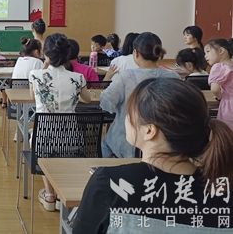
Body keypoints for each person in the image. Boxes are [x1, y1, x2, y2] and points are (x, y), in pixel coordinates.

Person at [73, 78, 233, 233]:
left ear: (149, 131)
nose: (126, 119)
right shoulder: (225, 192)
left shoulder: (110, 184)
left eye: (129, 114)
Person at [29, 33, 92, 211]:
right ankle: (61, 193)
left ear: (46, 54)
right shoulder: (78, 78)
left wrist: (45, 65)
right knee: (62, 149)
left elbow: (32, 97)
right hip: (71, 138)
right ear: (67, 55)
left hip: (43, 138)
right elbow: (87, 99)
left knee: (40, 145)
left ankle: (49, 194)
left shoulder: (35, 75)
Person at [99, 32, 180, 158]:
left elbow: (106, 103)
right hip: (164, 143)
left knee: (105, 144)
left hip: (126, 143)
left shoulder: (125, 77)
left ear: (135, 53)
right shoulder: (173, 77)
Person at [205, 38, 233, 129]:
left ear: (221, 51)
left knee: (227, 130)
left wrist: (220, 96)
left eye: (208, 51)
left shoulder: (218, 67)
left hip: (229, 105)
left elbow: (215, 89)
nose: (205, 56)